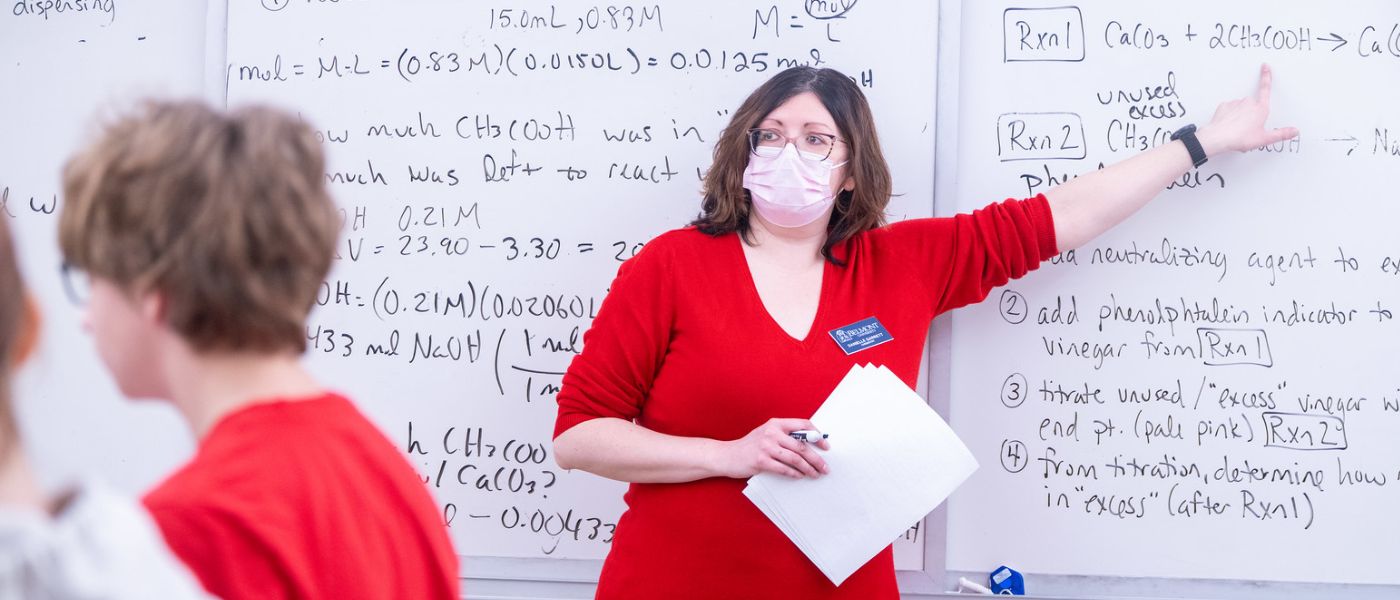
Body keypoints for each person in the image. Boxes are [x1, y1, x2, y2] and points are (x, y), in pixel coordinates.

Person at [552, 65, 1297, 597]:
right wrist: (730, 453)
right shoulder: (672, 265)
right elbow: (579, 435)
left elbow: (1062, 217)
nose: (788, 153)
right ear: (743, 153)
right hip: (673, 584)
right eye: (770, 135)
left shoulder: (901, 263)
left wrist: (1201, 143)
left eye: (816, 139)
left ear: (849, 172)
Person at [57, 100, 460, 599]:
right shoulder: (387, 476)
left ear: (150, 293)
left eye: (90, 277)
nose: (85, 317)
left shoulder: (186, 534)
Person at [0, 216, 211, 599]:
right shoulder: (139, 565)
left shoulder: (189, 521)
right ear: (29, 328)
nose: (85, 319)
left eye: (90, 279)